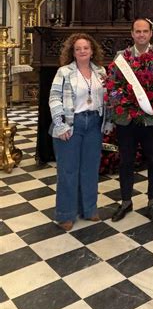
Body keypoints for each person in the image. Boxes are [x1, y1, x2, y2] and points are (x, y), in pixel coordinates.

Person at [111, 18, 153, 222]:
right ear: (132, 33)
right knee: (126, 161)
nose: (142, 35)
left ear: (151, 33)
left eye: (145, 31)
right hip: (126, 120)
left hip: (152, 120)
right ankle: (126, 201)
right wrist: (123, 106)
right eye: (138, 31)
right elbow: (113, 85)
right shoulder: (121, 57)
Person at [49, 34, 106, 231]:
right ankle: (66, 214)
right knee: (68, 171)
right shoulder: (64, 72)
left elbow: (106, 99)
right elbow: (54, 98)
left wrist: (107, 122)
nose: (82, 51)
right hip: (72, 124)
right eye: (78, 48)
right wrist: (60, 125)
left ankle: (89, 209)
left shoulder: (101, 72)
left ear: (92, 51)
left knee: (90, 168)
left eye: (86, 48)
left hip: (94, 124)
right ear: (72, 52)